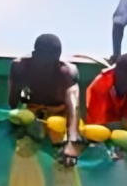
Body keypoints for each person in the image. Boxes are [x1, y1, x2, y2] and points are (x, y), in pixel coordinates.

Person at [9, 34, 82, 166]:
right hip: (33, 112)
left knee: (57, 131)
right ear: (34, 54)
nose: (48, 66)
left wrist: (72, 140)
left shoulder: (68, 73)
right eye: (44, 61)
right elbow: (13, 102)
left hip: (60, 116)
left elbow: (74, 109)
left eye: (53, 61)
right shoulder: (19, 67)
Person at [86, 53, 127, 134]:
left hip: (122, 131)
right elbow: (97, 123)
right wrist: (121, 124)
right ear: (116, 72)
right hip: (99, 129)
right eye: (125, 77)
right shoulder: (100, 86)